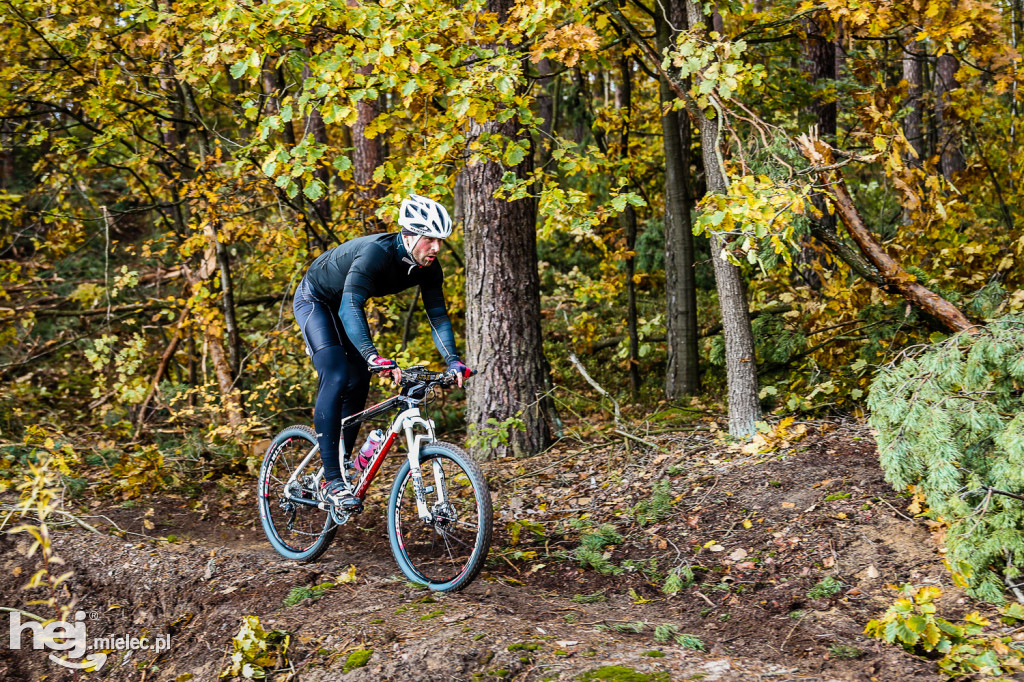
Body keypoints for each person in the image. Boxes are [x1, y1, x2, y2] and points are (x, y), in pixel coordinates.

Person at [292, 195, 471, 511]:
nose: (436, 248)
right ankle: (333, 480)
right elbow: (350, 306)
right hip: (316, 301)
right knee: (336, 372)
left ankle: (342, 461)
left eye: (440, 240)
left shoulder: (428, 267)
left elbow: (438, 316)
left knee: (360, 379)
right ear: (409, 234)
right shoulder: (377, 253)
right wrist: (372, 355)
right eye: (429, 239)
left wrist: (453, 361)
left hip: (343, 305)